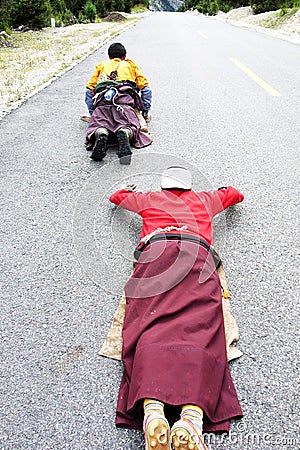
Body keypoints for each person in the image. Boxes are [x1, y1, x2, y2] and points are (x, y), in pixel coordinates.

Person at [109, 166, 244, 450]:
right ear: (188, 186)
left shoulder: (148, 199)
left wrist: (130, 193)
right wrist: (222, 191)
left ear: (164, 186)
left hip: (154, 256)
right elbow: (236, 195)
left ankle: (153, 411)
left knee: (148, 323)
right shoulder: (205, 199)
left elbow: (116, 198)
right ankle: (190, 419)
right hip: (196, 256)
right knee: (201, 326)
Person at [84, 43, 153, 164]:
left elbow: (89, 90)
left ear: (109, 57)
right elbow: (146, 89)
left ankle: (101, 132)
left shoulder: (102, 65)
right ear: (124, 56)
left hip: (103, 102)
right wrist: (145, 110)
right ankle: (125, 131)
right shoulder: (130, 64)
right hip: (124, 103)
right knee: (131, 125)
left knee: (98, 124)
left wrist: (93, 112)